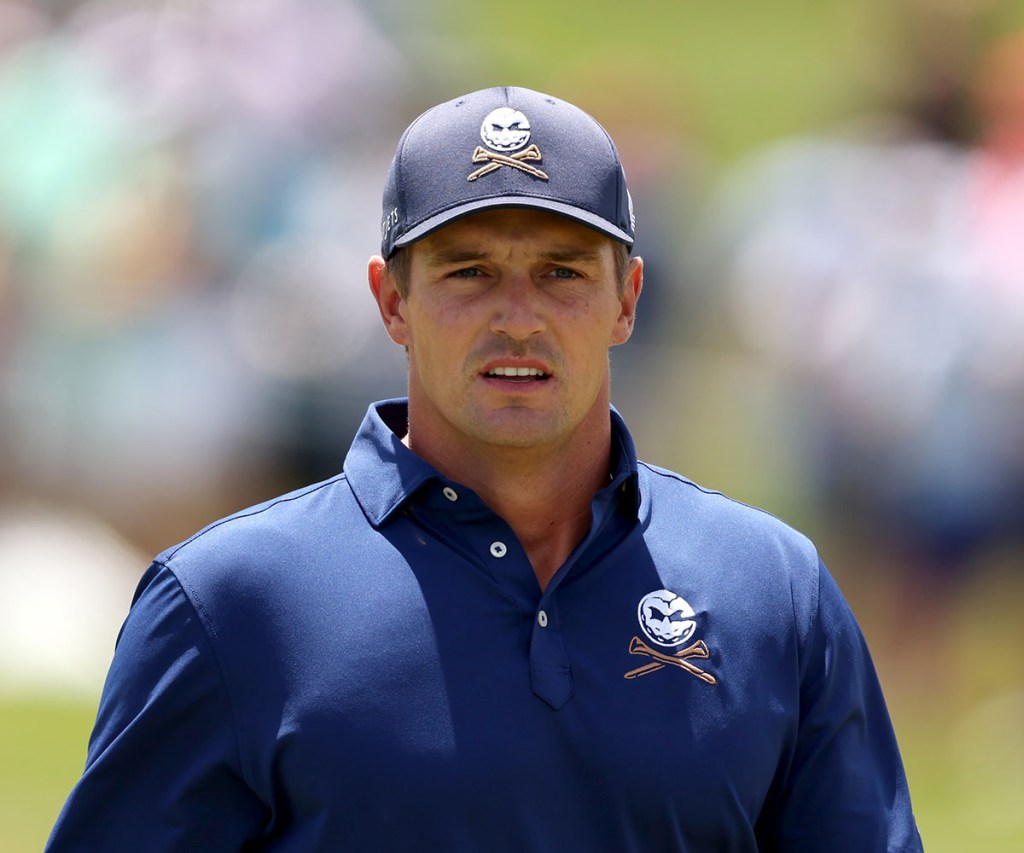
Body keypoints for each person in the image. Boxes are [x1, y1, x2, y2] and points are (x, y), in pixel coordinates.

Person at [48, 86, 923, 852]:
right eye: (469, 272)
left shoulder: (773, 588)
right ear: (392, 301)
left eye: (561, 273)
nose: (518, 319)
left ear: (627, 300)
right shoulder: (229, 600)